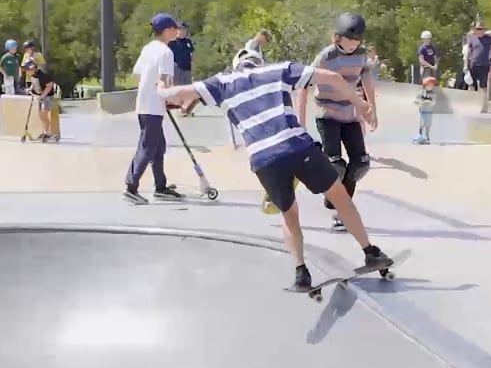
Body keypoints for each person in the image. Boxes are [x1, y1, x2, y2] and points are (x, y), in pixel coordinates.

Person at [159, 49, 394, 290]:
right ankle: (370, 252)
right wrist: (359, 103)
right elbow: (333, 78)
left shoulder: (222, 82)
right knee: (339, 196)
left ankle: (301, 272)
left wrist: (160, 88)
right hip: (297, 147)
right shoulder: (277, 70)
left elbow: (175, 95)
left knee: (289, 214)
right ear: (259, 63)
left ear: (236, 66)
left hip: (264, 159)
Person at [298, 12, 378, 231]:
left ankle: (341, 205)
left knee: (360, 163)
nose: (353, 45)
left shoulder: (362, 56)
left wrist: (372, 109)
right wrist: (300, 121)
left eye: (357, 41)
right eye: (349, 40)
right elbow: (304, 85)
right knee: (336, 166)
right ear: (337, 37)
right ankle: (337, 205)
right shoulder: (326, 56)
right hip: (328, 114)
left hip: (351, 114)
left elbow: (367, 81)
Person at [124, 13, 182, 205]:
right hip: (153, 107)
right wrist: (172, 99)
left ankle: (160, 186)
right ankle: (131, 187)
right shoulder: (166, 53)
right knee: (148, 147)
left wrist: (150, 90)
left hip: (144, 104)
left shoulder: (148, 49)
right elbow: (165, 82)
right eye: (174, 28)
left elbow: (136, 76)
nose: (177, 31)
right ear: (167, 30)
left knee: (158, 147)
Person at [24, 59, 58, 141]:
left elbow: (49, 86)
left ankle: (47, 133)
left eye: (29, 70)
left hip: (47, 97)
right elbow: (34, 83)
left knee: (45, 114)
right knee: (41, 115)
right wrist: (30, 89)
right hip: (40, 97)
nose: (27, 72)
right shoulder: (33, 75)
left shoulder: (42, 75)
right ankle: (44, 132)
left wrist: (43, 96)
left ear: (34, 69)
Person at [463, 21, 491, 93]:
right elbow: (467, 52)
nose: (479, 31)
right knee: (471, 84)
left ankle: (483, 102)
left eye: (481, 29)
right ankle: (472, 102)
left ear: (484, 30)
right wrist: (465, 65)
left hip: (484, 64)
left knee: (483, 85)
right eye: (478, 29)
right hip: (473, 64)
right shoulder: (471, 38)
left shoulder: (489, 39)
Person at [413, 75, 437, 143]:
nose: (431, 86)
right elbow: (416, 101)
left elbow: (433, 103)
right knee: (421, 124)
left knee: (428, 124)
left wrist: (429, 102)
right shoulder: (421, 93)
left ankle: (427, 136)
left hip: (429, 112)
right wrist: (421, 103)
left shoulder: (433, 94)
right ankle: (420, 135)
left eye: (432, 85)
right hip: (422, 111)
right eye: (429, 85)